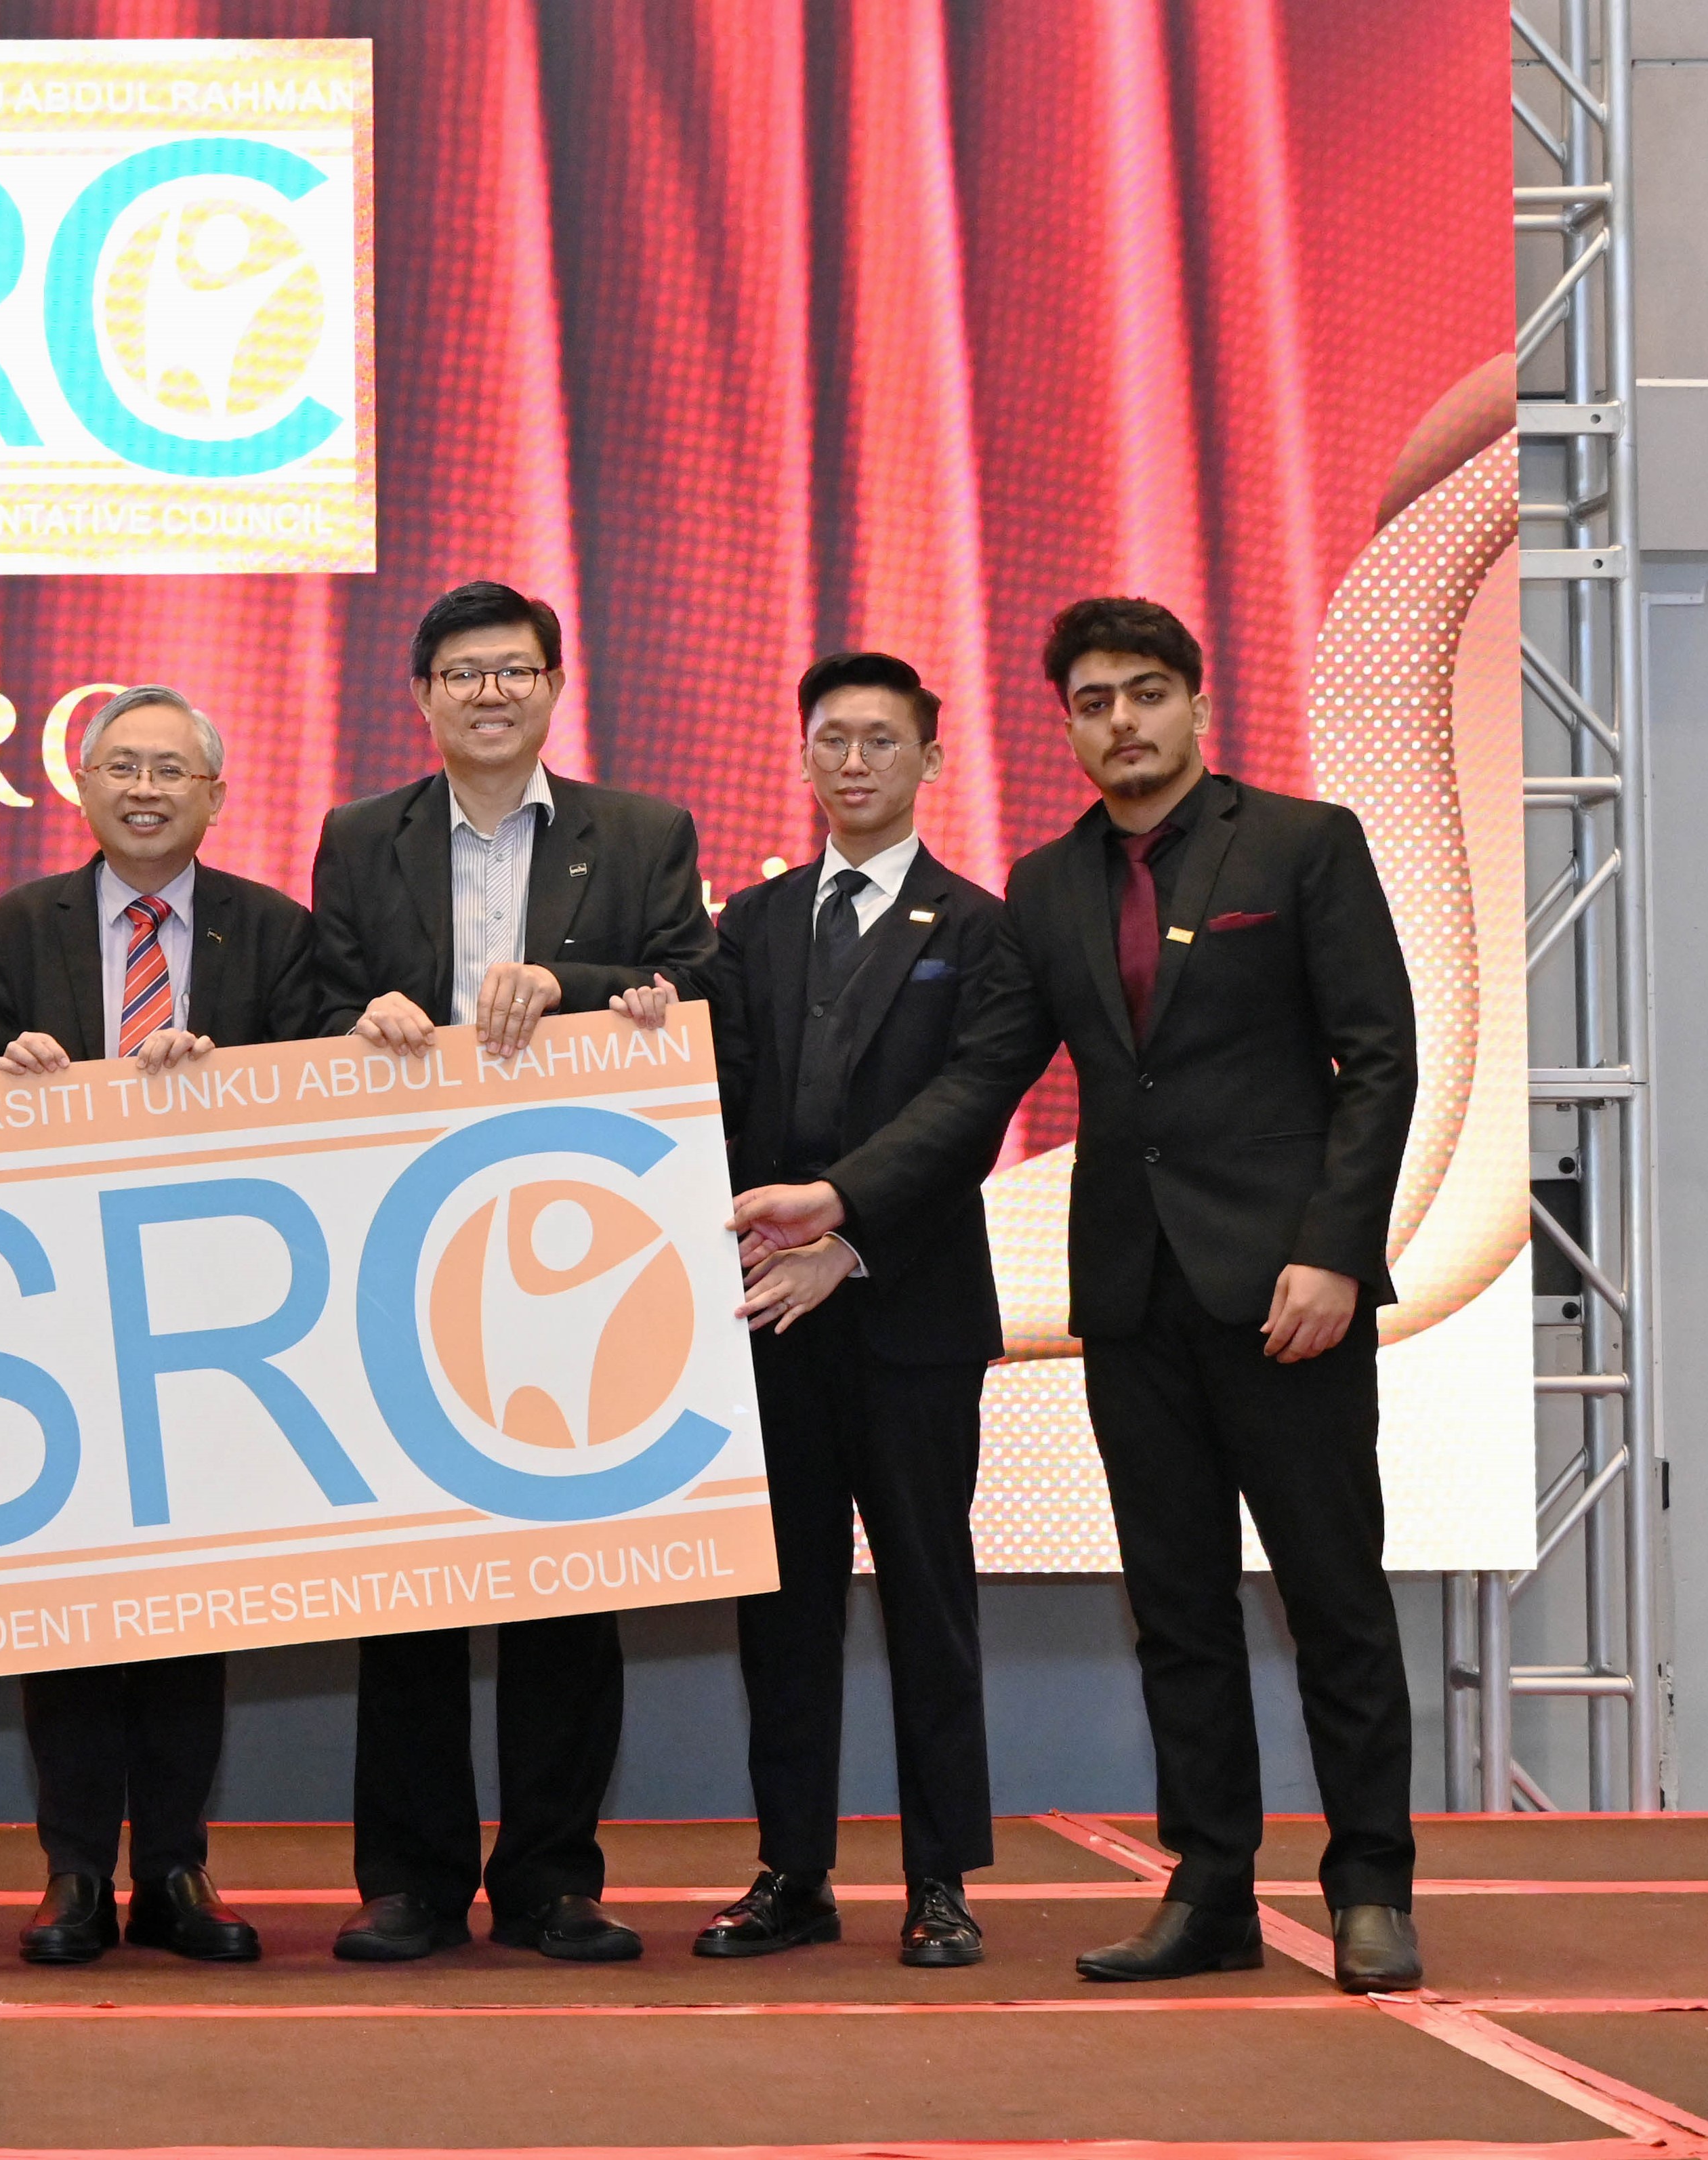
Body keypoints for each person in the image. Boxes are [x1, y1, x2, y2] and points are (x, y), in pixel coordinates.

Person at [731, 597, 1423, 1993]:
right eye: (1094, 701)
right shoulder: (1041, 889)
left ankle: (1368, 1885)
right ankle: (1209, 1887)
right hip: (1125, 1292)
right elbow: (981, 1082)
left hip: (1285, 1287)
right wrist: (847, 1208)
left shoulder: (1300, 844)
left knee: (1331, 1595)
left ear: (1196, 706)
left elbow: (1380, 1057)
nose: (1121, 721)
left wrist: (1333, 1250)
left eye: (1145, 693)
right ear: (1066, 727)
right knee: (1170, 1609)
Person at [309, 577, 715, 1964]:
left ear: (552, 686)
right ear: (419, 697)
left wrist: (578, 981)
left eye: (514, 670)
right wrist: (350, 1014)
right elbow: (310, 1003)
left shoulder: (644, 832)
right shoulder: (358, 839)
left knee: (564, 1575)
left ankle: (550, 1875)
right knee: (409, 1579)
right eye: (461, 673)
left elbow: (695, 989)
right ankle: (411, 1878)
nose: (488, 692)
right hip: (405, 1242)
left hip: (583, 1247)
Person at [0, 684, 319, 1966]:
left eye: (173, 769)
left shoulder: (274, 932)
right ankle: (72, 1873)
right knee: (69, 1603)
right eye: (121, 765)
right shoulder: (16, 927)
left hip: (226, 1314)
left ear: (216, 795)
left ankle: (174, 1868)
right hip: (60, 1308)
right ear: (83, 787)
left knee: (188, 1607)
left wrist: (224, 1081)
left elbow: (318, 1117)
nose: (146, 788)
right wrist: (7, 1079)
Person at [694, 652, 1007, 1970]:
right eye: (831, 739)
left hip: (911, 1318)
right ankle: (791, 1871)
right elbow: (700, 1094)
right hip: (768, 1323)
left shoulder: (979, 926)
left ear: (928, 760)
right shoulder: (751, 924)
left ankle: (938, 1878)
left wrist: (845, 1226)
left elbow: (966, 1112)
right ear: (804, 756)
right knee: (784, 1612)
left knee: (928, 1603)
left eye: (882, 740)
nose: (855, 762)